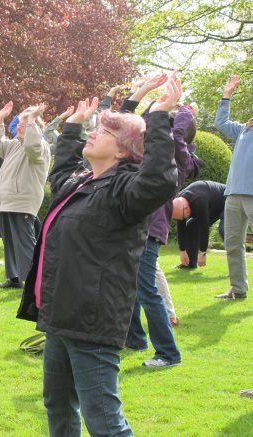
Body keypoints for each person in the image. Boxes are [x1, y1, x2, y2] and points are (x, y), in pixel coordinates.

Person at [17, 77, 181, 437]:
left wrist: (158, 119)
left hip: (91, 319)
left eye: (102, 133)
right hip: (60, 314)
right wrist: (73, 128)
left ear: (122, 150)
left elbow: (159, 180)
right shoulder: (82, 180)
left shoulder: (127, 190)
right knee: (58, 406)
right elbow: (59, 172)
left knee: (103, 420)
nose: (94, 134)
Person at [124, 73, 199, 368]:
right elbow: (131, 124)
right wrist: (145, 92)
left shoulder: (176, 154)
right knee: (130, 285)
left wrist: (178, 108)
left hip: (150, 227)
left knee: (145, 288)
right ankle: (134, 338)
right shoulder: (149, 148)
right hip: (136, 224)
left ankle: (168, 353)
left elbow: (176, 134)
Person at [0, 102, 51, 289]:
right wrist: (0, 120)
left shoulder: (39, 146)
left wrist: (32, 120)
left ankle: (33, 282)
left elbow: (32, 146)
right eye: (19, 124)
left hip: (22, 200)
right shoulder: (14, 145)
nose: (18, 127)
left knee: (25, 243)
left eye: (23, 125)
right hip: (7, 201)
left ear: (34, 128)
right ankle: (14, 278)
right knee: (9, 242)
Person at [214, 74, 253, 300]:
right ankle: (238, 290)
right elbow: (221, 123)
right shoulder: (243, 130)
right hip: (233, 195)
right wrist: (226, 95)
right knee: (232, 244)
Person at [172, 180, 226, 269]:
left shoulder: (198, 201)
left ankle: (236, 271)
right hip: (213, 205)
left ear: (186, 208)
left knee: (225, 230)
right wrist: (182, 250)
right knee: (191, 226)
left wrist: (202, 253)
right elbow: (181, 227)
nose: (185, 218)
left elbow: (204, 229)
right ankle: (190, 264)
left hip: (226, 199)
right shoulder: (178, 202)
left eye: (185, 216)